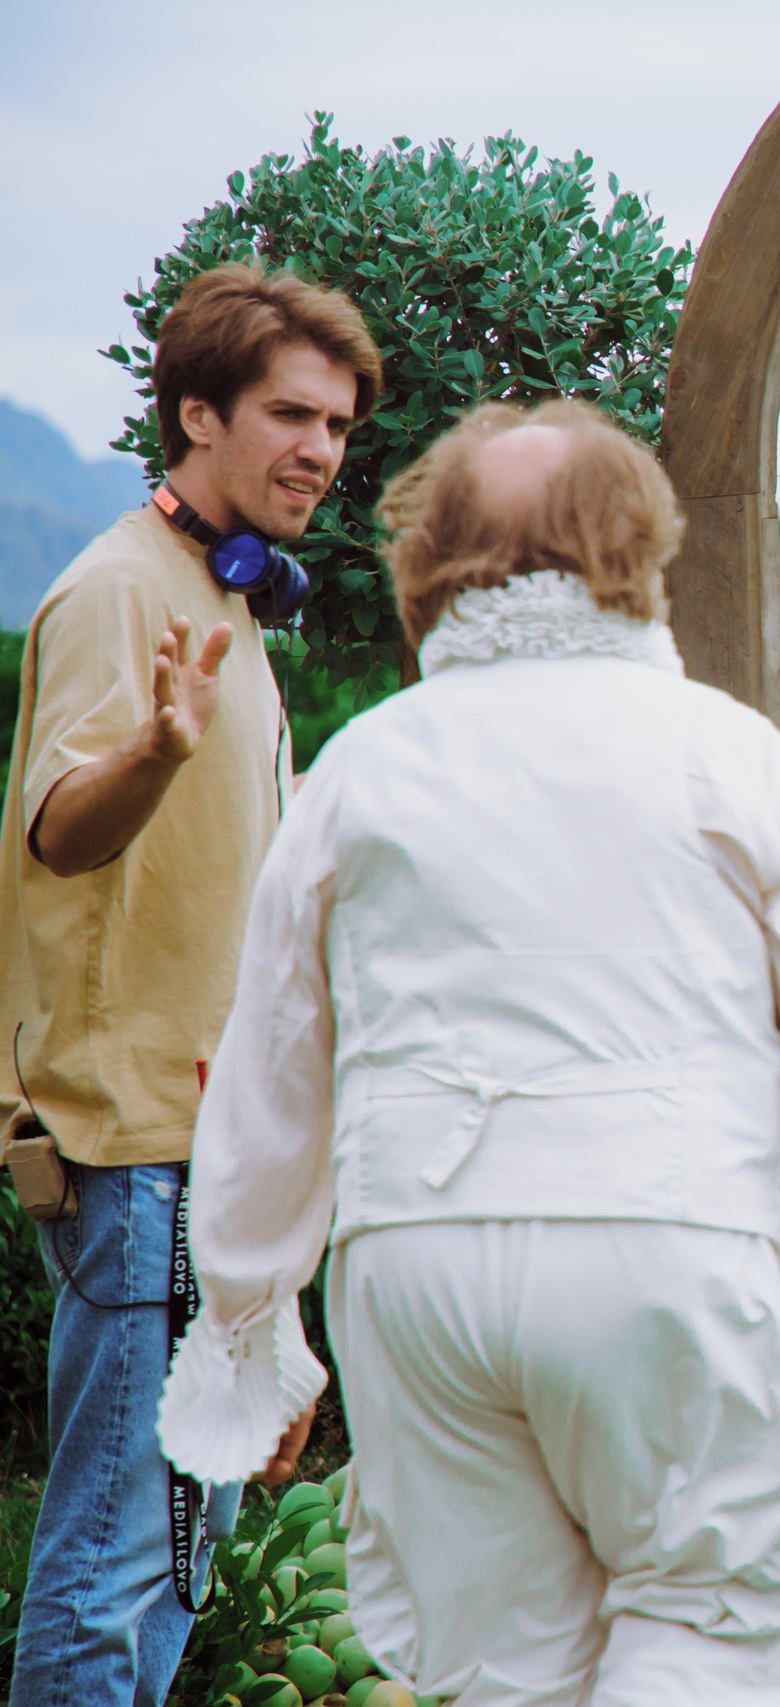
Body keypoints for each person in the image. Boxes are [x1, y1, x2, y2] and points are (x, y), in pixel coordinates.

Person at [153, 398, 780, 1707]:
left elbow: (276, 1059)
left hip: (413, 1271)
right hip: (658, 1250)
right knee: (700, 1625)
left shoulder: (362, 767)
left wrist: (251, 1324)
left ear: (431, 557)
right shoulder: (729, 756)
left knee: (509, 1674)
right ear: (636, 550)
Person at [2, 260, 379, 1706]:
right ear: (195, 416)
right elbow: (56, 828)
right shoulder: (120, 594)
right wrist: (154, 754)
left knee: (167, 1562)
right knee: (114, 1572)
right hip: (145, 1156)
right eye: (290, 415)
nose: (320, 452)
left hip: (206, 1159)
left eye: (339, 426)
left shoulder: (222, 598)